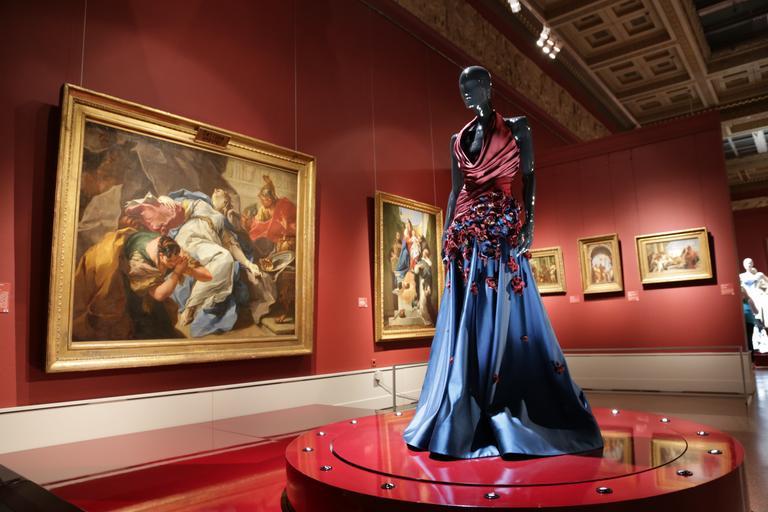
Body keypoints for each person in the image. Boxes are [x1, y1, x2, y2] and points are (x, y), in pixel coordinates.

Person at [403, 66, 603, 459]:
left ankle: (501, 398)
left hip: (500, 228)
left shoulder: (517, 128)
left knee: (502, 308)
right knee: (467, 313)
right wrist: (446, 231)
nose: (466, 93)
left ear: (488, 86)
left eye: (472, 86)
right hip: (464, 234)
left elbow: (529, 176)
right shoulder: (457, 139)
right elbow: (456, 190)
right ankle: (464, 400)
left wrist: (529, 223)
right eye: (461, 87)